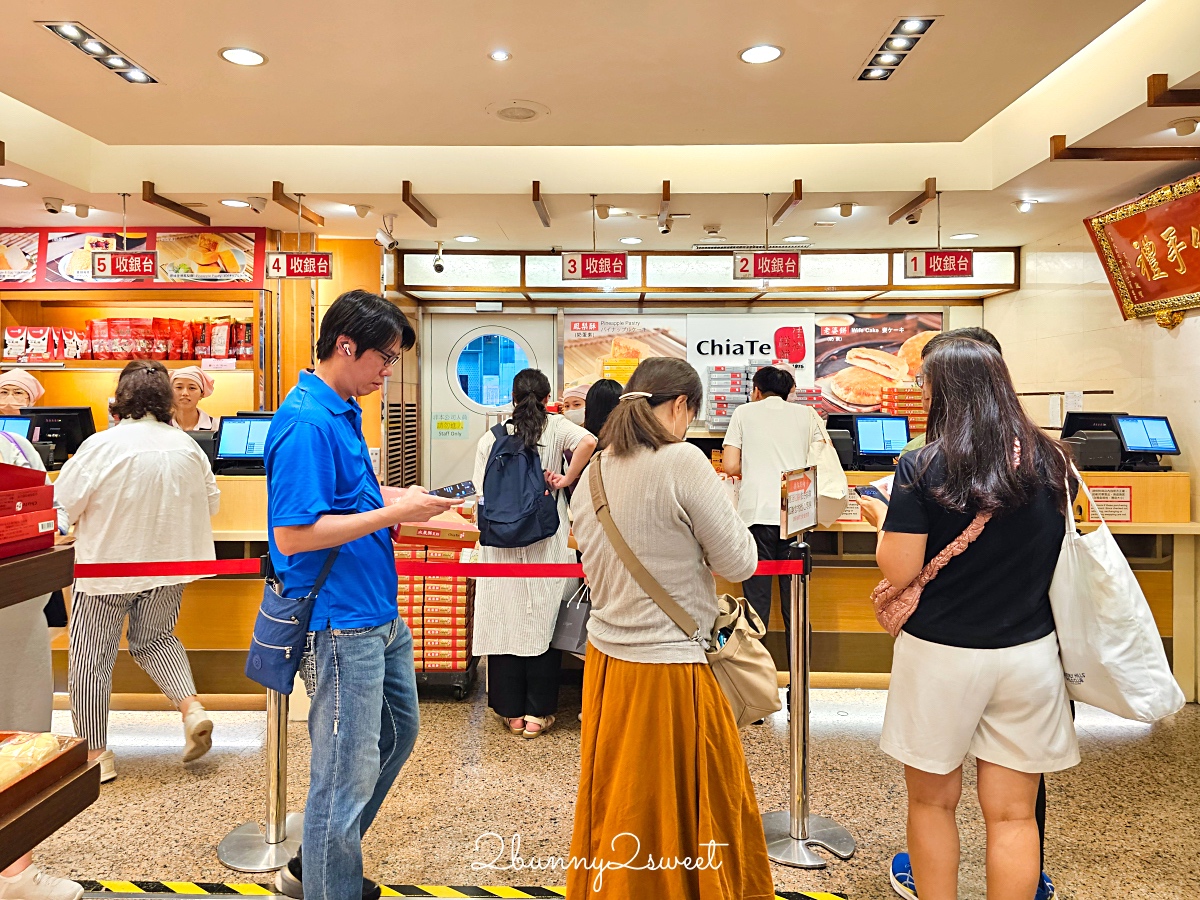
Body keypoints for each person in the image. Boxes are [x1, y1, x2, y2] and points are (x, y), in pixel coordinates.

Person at [858, 338, 1078, 900]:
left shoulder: (924, 464)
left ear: (944, 392)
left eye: (926, 385)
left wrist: (883, 520)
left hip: (940, 654)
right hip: (1029, 653)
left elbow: (900, 569)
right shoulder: (1052, 459)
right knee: (1013, 817)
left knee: (933, 803)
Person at [265, 290, 457, 900]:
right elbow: (294, 535)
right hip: (341, 623)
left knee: (397, 735)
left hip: (376, 612)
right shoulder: (306, 422)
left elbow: (348, 504)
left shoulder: (343, 409)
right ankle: (329, 886)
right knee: (341, 778)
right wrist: (391, 513)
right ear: (346, 346)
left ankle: (314, 867)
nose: (388, 371)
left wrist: (402, 501)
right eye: (385, 357)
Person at [567, 357, 773, 900]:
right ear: (681, 406)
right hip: (671, 669)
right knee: (686, 806)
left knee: (621, 798)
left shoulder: (595, 469)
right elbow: (739, 561)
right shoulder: (682, 461)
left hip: (607, 666)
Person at [55, 361, 221, 784]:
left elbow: (63, 507)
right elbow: (212, 504)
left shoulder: (101, 445)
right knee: (155, 639)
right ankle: (191, 708)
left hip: (108, 565)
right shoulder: (187, 446)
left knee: (92, 658)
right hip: (171, 564)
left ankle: (96, 752)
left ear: (120, 399)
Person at [472, 369, 596, 738]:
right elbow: (589, 440)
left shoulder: (490, 438)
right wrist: (565, 478)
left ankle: (511, 713)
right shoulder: (556, 428)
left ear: (512, 398)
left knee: (505, 619)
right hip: (546, 539)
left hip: (500, 544)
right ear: (547, 399)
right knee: (542, 618)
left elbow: (480, 492)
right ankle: (537, 715)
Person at [0, 419, 84, 900]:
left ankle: (16, 871)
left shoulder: (16, 449)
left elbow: (52, 518)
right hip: (20, 620)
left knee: (19, 744)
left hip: (19, 621)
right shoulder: (16, 449)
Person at [722, 365, 843, 664]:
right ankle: (799, 687)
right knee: (796, 604)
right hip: (796, 515)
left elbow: (730, 465)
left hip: (756, 515)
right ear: (790, 392)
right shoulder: (807, 415)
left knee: (755, 604)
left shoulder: (744, 414)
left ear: (757, 390)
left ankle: (754, 685)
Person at [170, 366, 218, 431]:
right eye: (179, 387)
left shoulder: (216, 426)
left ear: (202, 394)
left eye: (192, 388)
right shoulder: (160, 425)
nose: (185, 393)